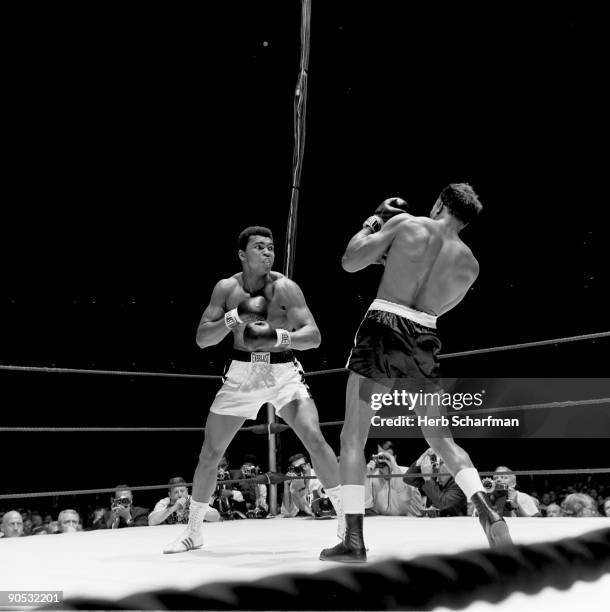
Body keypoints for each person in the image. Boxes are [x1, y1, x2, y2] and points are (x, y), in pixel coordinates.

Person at [321, 186, 512, 563]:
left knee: (354, 436)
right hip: (425, 337)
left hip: (383, 328)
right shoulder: (470, 265)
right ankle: (487, 510)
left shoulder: (408, 224)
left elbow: (350, 261)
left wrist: (374, 222)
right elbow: (440, 306)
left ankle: (354, 540)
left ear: (440, 203)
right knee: (440, 439)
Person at [164, 226, 342, 553]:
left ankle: (348, 525)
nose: (267, 252)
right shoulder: (227, 289)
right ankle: (193, 531)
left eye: (271, 247)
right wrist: (236, 316)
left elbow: (314, 336)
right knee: (210, 453)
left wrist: (278, 337)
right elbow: (203, 339)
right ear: (242, 254)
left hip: (283, 369)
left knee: (315, 439)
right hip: (243, 371)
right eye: (259, 247)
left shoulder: (286, 288)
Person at [365, 441, 424, 517]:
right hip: (383, 524)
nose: (383, 461)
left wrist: (393, 464)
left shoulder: (408, 473)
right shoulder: (372, 475)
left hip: (410, 523)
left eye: (386, 457)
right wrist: (365, 477)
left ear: (394, 458)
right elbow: (366, 505)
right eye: (380, 457)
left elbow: (404, 497)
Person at [405, 448, 467, 517]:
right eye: (436, 461)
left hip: (455, 525)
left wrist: (427, 478)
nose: (436, 465)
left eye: (441, 462)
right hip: (433, 524)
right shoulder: (433, 477)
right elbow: (408, 479)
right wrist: (424, 456)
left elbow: (442, 504)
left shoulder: (459, 484)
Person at [149, 477, 220, 526]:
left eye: (182, 491)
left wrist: (195, 511)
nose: (180, 495)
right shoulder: (164, 502)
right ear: (170, 494)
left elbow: (216, 516)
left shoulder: (194, 500)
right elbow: (151, 522)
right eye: (176, 492)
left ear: (187, 491)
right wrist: (173, 508)